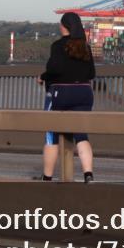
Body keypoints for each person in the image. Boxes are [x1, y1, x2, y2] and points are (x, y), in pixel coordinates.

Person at [39, 12, 95, 183]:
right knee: (81, 135)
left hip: (62, 93)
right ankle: (88, 174)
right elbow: (91, 73)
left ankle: (47, 177)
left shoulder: (58, 46)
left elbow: (54, 70)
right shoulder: (85, 46)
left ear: (63, 26)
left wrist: (43, 76)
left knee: (51, 136)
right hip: (84, 93)